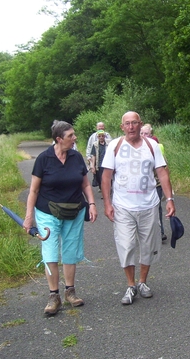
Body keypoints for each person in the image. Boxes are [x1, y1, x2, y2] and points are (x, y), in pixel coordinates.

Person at [23, 120, 98, 316]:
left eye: (74, 135)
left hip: (74, 211)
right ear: (59, 139)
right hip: (47, 211)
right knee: (50, 253)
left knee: (71, 251)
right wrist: (29, 216)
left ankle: (70, 292)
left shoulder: (76, 157)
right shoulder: (44, 159)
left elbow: (86, 185)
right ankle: (53, 296)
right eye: (70, 136)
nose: (74, 138)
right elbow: (34, 190)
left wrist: (91, 204)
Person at [101, 112, 175, 305]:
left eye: (135, 123)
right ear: (122, 126)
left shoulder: (151, 146)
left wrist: (169, 199)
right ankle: (130, 285)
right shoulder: (114, 146)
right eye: (128, 123)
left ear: (140, 125)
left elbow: (162, 173)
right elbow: (106, 176)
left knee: (148, 246)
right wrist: (107, 203)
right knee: (126, 245)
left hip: (149, 204)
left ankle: (142, 282)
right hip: (123, 205)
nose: (131, 126)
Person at [141, 123, 167, 242]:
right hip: (142, 186)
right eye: (141, 133)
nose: (143, 135)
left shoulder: (156, 147)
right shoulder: (135, 148)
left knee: (157, 207)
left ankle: (160, 232)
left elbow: (164, 169)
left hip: (156, 184)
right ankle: (145, 233)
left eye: (146, 133)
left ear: (151, 135)